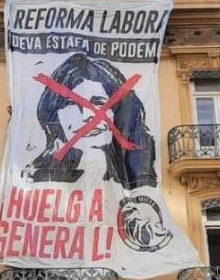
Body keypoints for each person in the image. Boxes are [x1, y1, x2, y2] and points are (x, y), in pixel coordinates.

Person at [25, 53, 157, 189]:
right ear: (54, 114)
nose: (89, 116)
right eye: (73, 104)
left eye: (99, 103)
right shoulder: (35, 181)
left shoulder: (139, 181)